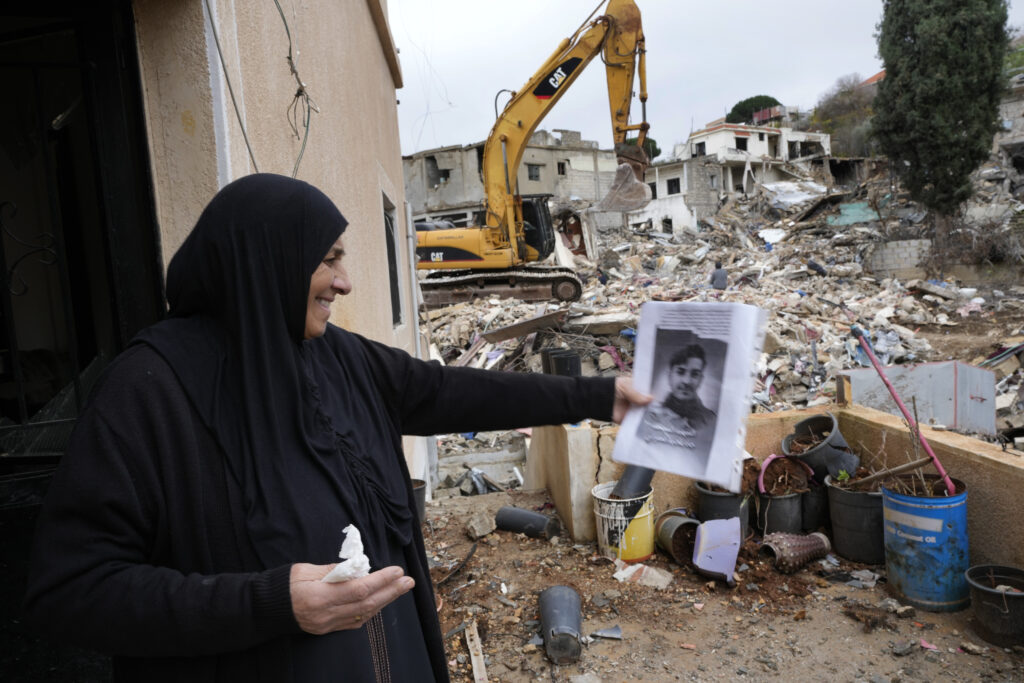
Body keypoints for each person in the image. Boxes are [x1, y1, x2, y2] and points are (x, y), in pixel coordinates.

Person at [23, 174, 651, 682]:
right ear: (266, 263)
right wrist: (270, 602)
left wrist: (597, 394)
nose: (345, 282)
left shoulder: (335, 356)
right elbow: (72, 590)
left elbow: (448, 390)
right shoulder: (150, 392)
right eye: (326, 260)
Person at [637, 343, 716, 450]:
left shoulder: (710, 420)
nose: (687, 381)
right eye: (680, 372)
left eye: (694, 374)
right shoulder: (651, 414)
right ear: (669, 375)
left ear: (701, 379)